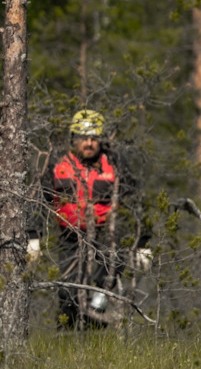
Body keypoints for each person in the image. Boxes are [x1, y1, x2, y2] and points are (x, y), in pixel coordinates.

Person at [43, 109, 138, 324]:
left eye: (94, 138)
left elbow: (135, 200)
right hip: (69, 237)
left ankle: (94, 326)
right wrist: (31, 237)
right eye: (83, 138)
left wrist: (143, 242)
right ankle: (66, 335)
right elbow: (40, 200)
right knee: (67, 290)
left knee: (106, 279)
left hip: (106, 235)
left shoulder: (114, 162)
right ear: (73, 139)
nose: (89, 143)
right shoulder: (57, 163)